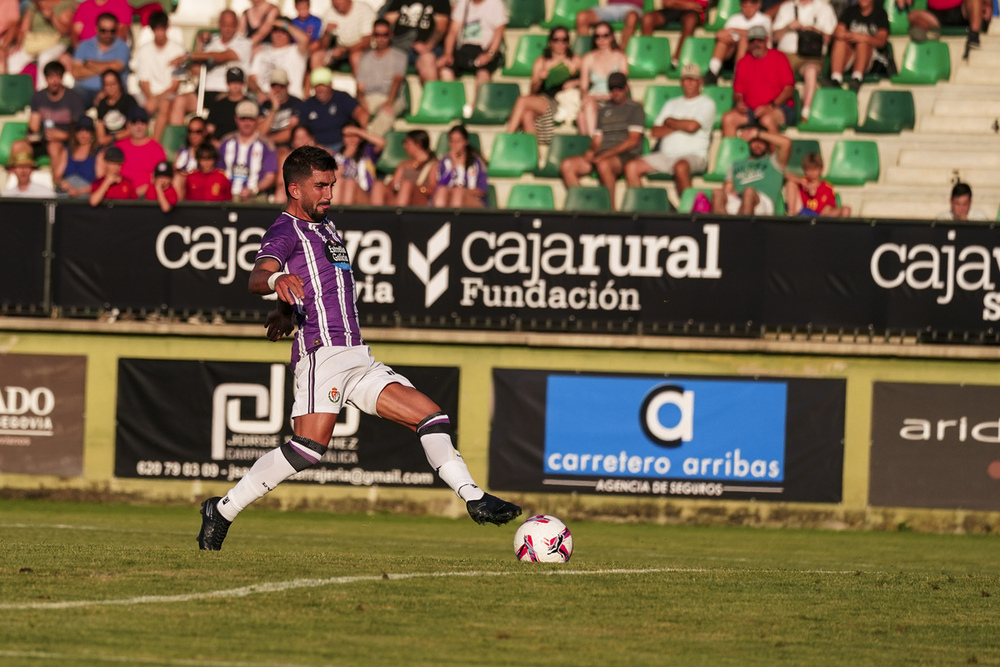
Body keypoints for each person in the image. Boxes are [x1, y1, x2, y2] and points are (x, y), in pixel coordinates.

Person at [195, 145, 522, 550]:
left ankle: (474, 498)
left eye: (332, 184)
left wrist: (284, 310)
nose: (329, 193)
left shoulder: (328, 226)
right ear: (295, 190)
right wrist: (276, 281)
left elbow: (311, 281)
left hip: (357, 355)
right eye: (320, 186)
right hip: (322, 354)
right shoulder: (284, 229)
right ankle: (221, 510)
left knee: (431, 417)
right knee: (307, 450)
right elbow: (257, 276)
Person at [624, 64, 714, 203]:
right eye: (685, 79)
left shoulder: (707, 103)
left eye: (693, 79)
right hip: (666, 155)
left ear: (700, 81)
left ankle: (689, 209)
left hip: (694, 155)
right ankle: (645, 207)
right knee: (631, 167)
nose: (689, 82)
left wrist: (670, 121)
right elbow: (656, 131)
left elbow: (692, 126)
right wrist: (682, 125)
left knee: (681, 166)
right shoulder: (671, 103)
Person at [560, 72, 645, 211]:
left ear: (626, 88)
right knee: (567, 165)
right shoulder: (603, 110)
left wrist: (606, 155)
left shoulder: (635, 108)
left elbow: (633, 141)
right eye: (612, 88)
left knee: (604, 164)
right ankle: (584, 204)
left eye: (619, 87)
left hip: (625, 155)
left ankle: (609, 210)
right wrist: (591, 151)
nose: (615, 91)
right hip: (603, 154)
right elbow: (597, 138)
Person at [169, 10, 252, 127]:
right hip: (204, 90)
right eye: (224, 25)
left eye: (231, 26)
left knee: (219, 107)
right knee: (179, 101)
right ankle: (178, 140)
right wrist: (199, 46)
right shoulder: (211, 41)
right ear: (219, 25)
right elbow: (195, 71)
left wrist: (189, 55)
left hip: (226, 92)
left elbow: (220, 56)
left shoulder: (244, 43)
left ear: (237, 25)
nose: (228, 29)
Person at [504, 26, 582, 146]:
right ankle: (535, 154)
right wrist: (539, 79)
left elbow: (588, 81)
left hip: (560, 102)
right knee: (527, 115)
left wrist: (575, 82)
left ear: (568, 42)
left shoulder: (575, 60)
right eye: (556, 40)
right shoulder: (541, 61)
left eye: (564, 39)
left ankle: (506, 139)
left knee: (522, 100)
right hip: (543, 99)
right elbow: (533, 91)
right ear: (550, 42)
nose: (560, 43)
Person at [721, 25, 795, 136]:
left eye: (759, 40)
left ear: (766, 40)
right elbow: (738, 92)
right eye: (752, 41)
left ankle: (774, 152)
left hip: (778, 107)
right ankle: (732, 152)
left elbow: (789, 89)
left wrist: (770, 106)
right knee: (728, 118)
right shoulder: (743, 63)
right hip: (751, 110)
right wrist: (740, 102)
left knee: (766, 120)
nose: (756, 44)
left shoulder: (779, 58)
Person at [772, 0, 838, 123]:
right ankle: (776, 109)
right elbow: (774, 38)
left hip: (812, 55)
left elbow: (829, 39)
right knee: (777, 72)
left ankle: (805, 113)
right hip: (787, 54)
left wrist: (814, 30)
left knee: (811, 72)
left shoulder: (824, 8)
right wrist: (788, 27)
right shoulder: (786, 7)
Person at [711, 124, 791, 215]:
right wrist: (729, 192)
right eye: (754, 141)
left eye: (761, 142)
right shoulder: (736, 165)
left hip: (763, 204)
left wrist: (757, 134)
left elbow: (786, 143)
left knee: (748, 192)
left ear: (767, 144)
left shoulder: (774, 161)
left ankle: (744, 228)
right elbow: (727, 188)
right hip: (739, 201)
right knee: (717, 193)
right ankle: (719, 226)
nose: (757, 145)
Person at [133, 10, 185, 142]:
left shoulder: (178, 51)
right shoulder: (144, 50)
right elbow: (144, 82)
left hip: (168, 95)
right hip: (147, 94)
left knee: (165, 104)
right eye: (156, 29)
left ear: (167, 28)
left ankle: (155, 143)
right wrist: (151, 98)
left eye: (162, 29)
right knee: (129, 103)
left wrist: (155, 99)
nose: (159, 33)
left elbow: (175, 86)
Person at [25, 61, 84, 173]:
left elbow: (81, 128)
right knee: (18, 146)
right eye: (51, 77)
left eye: (57, 77)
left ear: (62, 78)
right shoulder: (38, 96)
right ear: (46, 78)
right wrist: (31, 134)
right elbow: (34, 126)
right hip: (44, 139)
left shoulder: (73, 97)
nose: (54, 81)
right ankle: (21, 187)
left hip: (66, 141)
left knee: (54, 146)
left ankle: (57, 185)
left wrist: (65, 135)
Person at [2, 0, 76, 89]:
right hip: (34, 43)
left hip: (57, 42)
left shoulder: (65, 4)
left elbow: (66, 31)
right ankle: (13, 94)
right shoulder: (33, 6)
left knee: (45, 58)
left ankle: (41, 93)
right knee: (13, 60)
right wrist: (18, 43)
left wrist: (52, 17)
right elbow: (24, 30)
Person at [437, 0, 507, 93]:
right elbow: (453, 31)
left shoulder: (495, 4)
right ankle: (453, 102)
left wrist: (490, 54)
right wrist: (448, 54)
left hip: (485, 49)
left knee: (483, 74)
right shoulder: (463, 3)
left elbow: (499, 32)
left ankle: (477, 105)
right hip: (464, 48)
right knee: (445, 69)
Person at [216, 99, 278, 201]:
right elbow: (219, 170)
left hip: (256, 196)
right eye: (243, 118)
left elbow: (270, 176)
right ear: (236, 119)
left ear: (258, 120)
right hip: (227, 196)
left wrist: (254, 190)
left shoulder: (267, 145)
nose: (247, 123)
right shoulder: (225, 142)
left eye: (251, 119)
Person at [355, 19, 408, 137]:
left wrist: (389, 103)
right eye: (377, 35)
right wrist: (362, 103)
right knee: (355, 110)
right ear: (373, 36)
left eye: (385, 35)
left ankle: (370, 140)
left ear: (390, 35)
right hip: (370, 97)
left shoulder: (400, 56)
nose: (381, 39)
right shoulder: (365, 58)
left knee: (386, 113)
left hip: (392, 98)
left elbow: (396, 81)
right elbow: (360, 87)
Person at [299, 66, 369, 154]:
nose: (319, 88)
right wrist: (314, 146)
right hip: (319, 150)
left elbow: (362, 114)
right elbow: (301, 131)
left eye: (323, 84)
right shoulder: (307, 105)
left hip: (344, 146)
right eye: (316, 85)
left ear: (330, 84)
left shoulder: (342, 97)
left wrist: (358, 135)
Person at [577, 22, 629, 137]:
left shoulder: (620, 57)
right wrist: (586, 95)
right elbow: (583, 87)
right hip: (595, 100)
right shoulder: (588, 58)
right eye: (597, 36)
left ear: (611, 37)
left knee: (582, 115)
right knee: (585, 110)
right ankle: (594, 144)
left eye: (605, 35)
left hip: (614, 99)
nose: (602, 40)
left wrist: (605, 96)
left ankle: (593, 146)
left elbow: (622, 84)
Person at [826, 0, 890, 92]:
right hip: (851, 55)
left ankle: (857, 78)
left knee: (862, 43)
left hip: (872, 59)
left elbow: (881, 41)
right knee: (840, 42)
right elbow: (838, 31)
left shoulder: (880, 14)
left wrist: (861, 37)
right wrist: (848, 35)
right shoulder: (850, 11)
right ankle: (836, 79)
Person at [259, 68, 302, 204]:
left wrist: (267, 140)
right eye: (274, 85)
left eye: (281, 85)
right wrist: (274, 108)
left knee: (281, 153)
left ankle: (277, 192)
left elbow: (290, 133)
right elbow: (259, 132)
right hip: (264, 147)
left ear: (288, 85)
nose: (277, 89)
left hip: (285, 146)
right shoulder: (265, 105)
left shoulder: (296, 104)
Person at [103, 106, 167, 198]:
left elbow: (159, 178)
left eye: (142, 122)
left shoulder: (156, 148)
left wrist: (136, 192)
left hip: (144, 196)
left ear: (147, 124)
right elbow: (106, 166)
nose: (139, 126)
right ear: (128, 125)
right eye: (134, 122)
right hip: (119, 193)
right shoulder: (119, 146)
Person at [703, 0, 772, 85]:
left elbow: (757, 35)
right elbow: (722, 34)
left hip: (757, 55)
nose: (748, 9)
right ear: (741, 6)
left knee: (743, 40)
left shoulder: (764, 19)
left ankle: (738, 74)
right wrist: (725, 36)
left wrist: (734, 30)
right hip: (732, 54)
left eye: (751, 6)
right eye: (745, 6)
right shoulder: (734, 18)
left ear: (758, 5)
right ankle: (712, 72)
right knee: (723, 41)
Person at [69, 12, 130, 107]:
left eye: (112, 31)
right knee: (72, 101)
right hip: (84, 91)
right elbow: (76, 72)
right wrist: (107, 68)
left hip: (112, 91)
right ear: (97, 29)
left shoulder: (123, 47)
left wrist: (90, 64)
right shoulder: (84, 45)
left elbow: (117, 67)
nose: (108, 34)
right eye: (103, 31)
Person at [383, 0, 450, 82]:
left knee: (427, 60)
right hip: (399, 47)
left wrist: (427, 46)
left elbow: (441, 28)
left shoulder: (440, 2)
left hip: (426, 50)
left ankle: (431, 93)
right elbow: (388, 21)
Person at [370, 129, 438, 206]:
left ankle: (399, 216)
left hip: (420, 200)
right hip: (399, 197)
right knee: (378, 185)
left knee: (407, 185)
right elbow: (393, 184)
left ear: (418, 144)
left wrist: (415, 187)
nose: (404, 146)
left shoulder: (433, 165)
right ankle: (376, 215)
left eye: (407, 143)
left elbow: (433, 189)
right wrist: (395, 184)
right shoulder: (404, 164)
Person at [248, 18, 310, 100]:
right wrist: (260, 93)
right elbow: (251, 79)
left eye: (283, 31)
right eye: (276, 31)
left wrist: (285, 25)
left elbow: (305, 40)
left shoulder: (296, 51)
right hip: (266, 100)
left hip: (291, 100)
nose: (279, 34)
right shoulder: (261, 53)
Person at [312, 0, 376, 75]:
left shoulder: (364, 10)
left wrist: (345, 50)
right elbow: (323, 46)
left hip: (362, 50)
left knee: (356, 57)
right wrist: (327, 33)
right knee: (316, 57)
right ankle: (321, 85)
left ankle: (360, 85)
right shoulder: (329, 13)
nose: (336, 2)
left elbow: (366, 42)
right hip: (338, 51)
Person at [433, 124, 489, 208]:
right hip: (449, 196)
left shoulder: (476, 163)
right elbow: (439, 186)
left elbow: (481, 190)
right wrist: (453, 167)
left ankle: (456, 220)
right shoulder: (445, 162)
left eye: (458, 141)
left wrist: (462, 190)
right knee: (442, 191)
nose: (455, 145)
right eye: (452, 141)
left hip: (473, 199)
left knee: (458, 193)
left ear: (465, 142)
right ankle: (439, 219)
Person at [640, 0, 708, 69]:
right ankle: (647, 60)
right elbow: (667, 2)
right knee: (647, 18)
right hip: (673, 10)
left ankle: (676, 62)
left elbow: (699, 5)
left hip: (692, 13)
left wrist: (676, 3)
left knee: (690, 20)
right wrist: (688, 4)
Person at [330, 121, 384, 205]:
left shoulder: (368, 151)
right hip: (342, 194)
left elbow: (381, 143)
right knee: (340, 182)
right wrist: (345, 156)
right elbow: (334, 177)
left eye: (355, 136)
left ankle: (345, 214)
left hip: (365, 194)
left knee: (351, 183)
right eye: (348, 136)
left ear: (360, 137)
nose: (351, 139)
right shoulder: (337, 156)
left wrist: (356, 130)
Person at [784, 152, 851, 217]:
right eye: (809, 169)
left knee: (846, 210)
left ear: (821, 169)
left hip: (820, 217)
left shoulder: (827, 188)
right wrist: (804, 183)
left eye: (815, 169)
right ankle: (791, 215)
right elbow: (786, 175)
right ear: (804, 170)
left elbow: (830, 208)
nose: (812, 172)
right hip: (801, 213)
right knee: (791, 183)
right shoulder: (802, 182)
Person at [907, 0, 987, 52]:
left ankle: (974, 36)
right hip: (935, 15)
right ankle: (928, 33)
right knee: (912, 16)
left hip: (960, 10)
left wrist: (988, 3)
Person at [54, 116, 98, 197]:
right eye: (79, 130)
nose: (83, 134)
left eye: (87, 130)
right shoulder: (67, 151)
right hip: (67, 193)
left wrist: (79, 191)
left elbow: (100, 182)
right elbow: (57, 175)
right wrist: (62, 183)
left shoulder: (98, 153)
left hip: (86, 195)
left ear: (92, 133)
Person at [94, 67, 137, 146]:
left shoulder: (129, 101)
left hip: (127, 142)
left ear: (119, 84)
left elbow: (133, 128)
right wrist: (104, 139)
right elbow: (100, 132)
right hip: (108, 145)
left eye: (113, 84)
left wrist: (112, 137)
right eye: (107, 85)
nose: (110, 88)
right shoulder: (102, 104)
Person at [207, 67, 251, 142]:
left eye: (238, 82)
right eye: (232, 82)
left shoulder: (249, 104)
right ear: (227, 82)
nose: (235, 85)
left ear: (243, 83)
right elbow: (210, 129)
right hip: (219, 145)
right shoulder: (218, 105)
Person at [577, 0, 644, 49]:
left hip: (632, 8)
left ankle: (620, 55)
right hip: (611, 7)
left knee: (632, 17)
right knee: (582, 17)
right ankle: (584, 57)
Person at [172, 115, 207, 196]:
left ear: (205, 132)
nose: (193, 135)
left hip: (202, 187)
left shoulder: (210, 151)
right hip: (183, 187)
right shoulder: (182, 151)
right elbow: (174, 170)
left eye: (198, 131)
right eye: (190, 131)